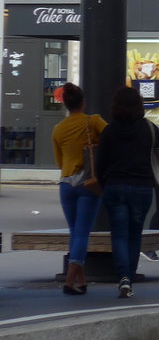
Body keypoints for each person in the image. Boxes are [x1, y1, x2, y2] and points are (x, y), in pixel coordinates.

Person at [96, 86, 159, 298]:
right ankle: (130, 274)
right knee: (134, 234)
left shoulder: (109, 130)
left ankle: (123, 277)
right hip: (142, 187)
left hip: (115, 185)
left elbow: (100, 162)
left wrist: (103, 185)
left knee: (119, 233)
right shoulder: (149, 128)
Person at [51, 83, 107, 295]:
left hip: (66, 183)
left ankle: (81, 281)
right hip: (87, 183)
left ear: (65, 104)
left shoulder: (58, 129)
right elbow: (110, 137)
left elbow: (59, 161)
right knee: (83, 233)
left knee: (75, 232)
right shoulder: (93, 121)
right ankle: (69, 280)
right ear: (83, 102)